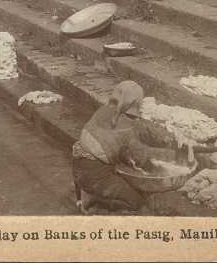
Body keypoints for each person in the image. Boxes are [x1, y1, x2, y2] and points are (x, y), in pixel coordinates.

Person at [72, 81, 191, 213]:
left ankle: (90, 195)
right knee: (136, 202)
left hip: (77, 166)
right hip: (95, 175)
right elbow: (141, 158)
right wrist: (161, 171)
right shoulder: (125, 125)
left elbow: (111, 145)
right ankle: (98, 204)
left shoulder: (102, 111)